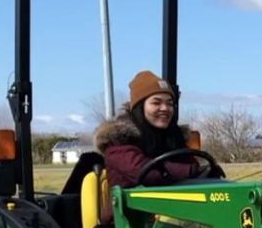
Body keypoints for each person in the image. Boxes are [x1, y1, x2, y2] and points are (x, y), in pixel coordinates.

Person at [94, 70, 224, 219]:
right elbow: (145, 172)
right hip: (130, 223)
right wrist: (193, 171)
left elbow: (190, 167)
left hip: (172, 219)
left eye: (170, 103)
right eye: (156, 102)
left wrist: (207, 173)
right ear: (139, 107)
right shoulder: (117, 143)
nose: (165, 108)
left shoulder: (173, 139)